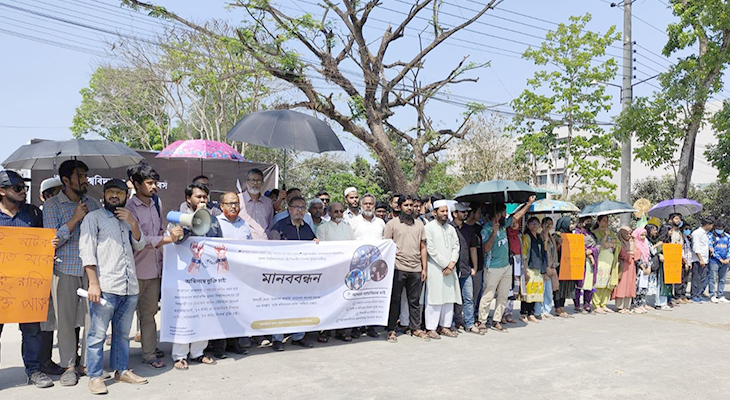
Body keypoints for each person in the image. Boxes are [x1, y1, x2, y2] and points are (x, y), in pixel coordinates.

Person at [80, 179, 148, 394]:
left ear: (126, 196)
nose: (114, 196)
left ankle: (121, 370)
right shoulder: (93, 218)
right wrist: (93, 283)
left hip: (129, 287)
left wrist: (134, 224)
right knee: (97, 335)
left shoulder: (128, 218)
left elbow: (140, 244)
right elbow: (87, 251)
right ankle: (95, 376)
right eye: (110, 192)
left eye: (118, 192)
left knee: (122, 334)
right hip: (106, 285)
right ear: (103, 194)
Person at [43, 160, 101, 386]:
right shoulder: (52, 205)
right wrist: (75, 218)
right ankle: (68, 366)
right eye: (80, 176)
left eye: (86, 175)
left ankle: (87, 364)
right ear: (65, 180)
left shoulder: (93, 204)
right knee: (65, 322)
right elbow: (50, 242)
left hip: (90, 271)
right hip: (63, 269)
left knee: (91, 320)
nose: (85, 180)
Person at [125, 162, 183, 369]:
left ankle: (149, 353)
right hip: (133, 271)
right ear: (136, 184)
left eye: (155, 182)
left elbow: (158, 231)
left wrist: (171, 234)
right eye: (149, 183)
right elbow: (138, 240)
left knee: (148, 315)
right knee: (123, 318)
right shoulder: (128, 208)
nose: (153, 187)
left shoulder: (155, 203)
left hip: (155, 269)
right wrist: (167, 240)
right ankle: (119, 359)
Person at [0, 170, 54, 388]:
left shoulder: (32, 213)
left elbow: (46, 239)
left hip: (28, 285)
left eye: (24, 187)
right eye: (18, 188)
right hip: (2, 284)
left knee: (32, 331)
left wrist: (50, 244)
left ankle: (34, 371)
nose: (23, 192)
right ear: (1, 191)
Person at [170, 183, 220, 369]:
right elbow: (176, 240)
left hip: (207, 273)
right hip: (184, 274)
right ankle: (180, 355)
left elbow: (220, 244)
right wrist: (192, 220)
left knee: (204, 313)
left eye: (205, 197)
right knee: (185, 313)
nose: (202, 200)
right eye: (198, 197)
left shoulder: (214, 220)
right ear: (188, 199)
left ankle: (198, 351)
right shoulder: (178, 217)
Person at [477, 195, 535, 333]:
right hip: (492, 267)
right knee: (488, 295)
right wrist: (493, 233)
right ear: (496, 214)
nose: (505, 215)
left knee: (503, 295)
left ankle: (497, 320)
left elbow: (517, 216)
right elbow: (485, 249)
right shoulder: (486, 229)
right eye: (503, 213)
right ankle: (482, 321)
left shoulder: (503, 225)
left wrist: (529, 203)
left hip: (506, 267)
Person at [268, 196, 317, 351]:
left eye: (302, 208)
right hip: (283, 275)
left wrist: (316, 244)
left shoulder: (307, 228)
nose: (300, 210)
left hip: (302, 276)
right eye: (296, 207)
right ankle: (277, 338)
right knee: (280, 307)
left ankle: (298, 336)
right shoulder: (279, 226)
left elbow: (312, 247)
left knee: (300, 305)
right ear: (289, 209)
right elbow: (273, 250)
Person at [384, 195, 429, 343]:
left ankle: (416, 328)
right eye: (406, 205)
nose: (409, 208)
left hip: (416, 268)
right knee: (395, 300)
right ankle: (391, 330)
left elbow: (423, 247)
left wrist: (424, 268)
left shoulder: (419, 225)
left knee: (414, 301)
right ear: (399, 207)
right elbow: (386, 247)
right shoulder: (391, 224)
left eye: (411, 205)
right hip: (398, 267)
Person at [35, 176, 66, 376]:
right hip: (38, 274)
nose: (55, 197)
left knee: (69, 316)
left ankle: (71, 357)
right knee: (45, 320)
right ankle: (44, 360)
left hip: (64, 270)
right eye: (51, 194)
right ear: (43, 196)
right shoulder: (35, 215)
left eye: (58, 192)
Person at [216, 192, 252, 355]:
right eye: (230, 203)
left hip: (240, 275)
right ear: (221, 206)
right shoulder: (215, 223)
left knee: (237, 309)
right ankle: (218, 346)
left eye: (236, 203)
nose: (233, 206)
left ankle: (234, 343)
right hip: (221, 273)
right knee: (221, 311)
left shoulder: (244, 224)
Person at [316, 202, 356, 342]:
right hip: (329, 271)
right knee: (328, 302)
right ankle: (325, 331)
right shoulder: (323, 228)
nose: (338, 214)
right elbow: (322, 250)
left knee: (344, 301)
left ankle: (343, 330)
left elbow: (353, 247)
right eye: (335, 211)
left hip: (345, 271)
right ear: (329, 213)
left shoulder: (348, 228)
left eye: (340, 211)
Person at [423, 201, 461, 339]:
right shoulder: (429, 228)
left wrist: (452, 263)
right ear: (434, 213)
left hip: (450, 268)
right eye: (442, 211)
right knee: (435, 298)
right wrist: (446, 264)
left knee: (449, 298)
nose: (445, 214)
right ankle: (431, 328)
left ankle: (445, 326)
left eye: (446, 211)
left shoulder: (450, 229)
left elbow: (456, 246)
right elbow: (430, 249)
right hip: (435, 268)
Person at [451, 203, 482, 335]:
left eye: (465, 212)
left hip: (466, 269)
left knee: (468, 298)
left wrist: (474, 267)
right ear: (454, 214)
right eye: (462, 212)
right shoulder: (448, 228)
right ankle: (452, 323)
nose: (465, 214)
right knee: (452, 299)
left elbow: (473, 249)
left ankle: (469, 323)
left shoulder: (470, 230)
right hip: (451, 270)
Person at [591, 215, 620, 314]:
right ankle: (596, 304)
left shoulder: (612, 233)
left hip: (610, 261)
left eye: (607, 221)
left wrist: (612, 245)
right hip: (600, 260)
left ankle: (604, 304)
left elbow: (618, 244)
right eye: (603, 221)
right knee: (599, 282)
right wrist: (605, 236)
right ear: (598, 222)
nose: (606, 223)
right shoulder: (594, 233)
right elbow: (600, 245)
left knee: (607, 283)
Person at [520, 216, 545, 323]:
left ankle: (531, 313)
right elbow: (524, 253)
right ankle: (523, 313)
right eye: (532, 224)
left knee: (535, 292)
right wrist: (525, 270)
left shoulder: (539, 238)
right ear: (528, 225)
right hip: (529, 267)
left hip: (537, 267)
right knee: (527, 292)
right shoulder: (526, 237)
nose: (535, 226)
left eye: (537, 224)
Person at [574, 216, 598, 314]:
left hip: (590, 262)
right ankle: (577, 304)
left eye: (590, 221)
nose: (589, 222)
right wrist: (586, 252)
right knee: (579, 283)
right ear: (582, 221)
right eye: (587, 221)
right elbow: (576, 245)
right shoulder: (576, 232)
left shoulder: (591, 234)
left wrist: (591, 251)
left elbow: (597, 246)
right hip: (580, 260)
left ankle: (587, 304)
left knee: (589, 282)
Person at [536, 217, 558, 319]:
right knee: (542, 290)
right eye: (547, 224)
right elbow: (543, 252)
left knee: (549, 291)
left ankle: (547, 310)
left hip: (551, 265)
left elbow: (553, 252)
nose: (549, 226)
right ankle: (539, 311)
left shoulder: (552, 237)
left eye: (551, 224)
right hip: (544, 266)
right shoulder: (540, 236)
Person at [553, 217, 575, 318]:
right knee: (558, 287)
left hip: (568, 265)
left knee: (565, 287)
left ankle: (562, 306)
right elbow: (553, 250)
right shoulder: (556, 235)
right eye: (569, 223)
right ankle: (557, 307)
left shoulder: (572, 236)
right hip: (558, 264)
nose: (572, 225)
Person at [612, 227, 637, 313]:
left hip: (631, 266)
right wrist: (630, 255)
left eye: (630, 233)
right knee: (622, 284)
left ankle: (627, 306)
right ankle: (620, 306)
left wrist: (634, 255)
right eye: (627, 233)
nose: (629, 236)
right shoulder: (619, 241)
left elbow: (638, 251)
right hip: (623, 265)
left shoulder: (633, 241)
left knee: (630, 283)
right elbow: (621, 252)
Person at [646, 224, 671, 310]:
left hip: (664, 264)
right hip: (654, 265)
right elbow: (651, 250)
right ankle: (659, 303)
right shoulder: (650, 240)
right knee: (658, 284)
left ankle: (664, 302)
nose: (655, 232)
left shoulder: (657, 240)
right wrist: (658, 247)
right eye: (653, 230)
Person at [690, 219, 713, 304]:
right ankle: (694, 295)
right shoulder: (696, 233)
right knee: (696, 278)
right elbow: (696, 247)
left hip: (705, 259)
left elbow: (704, 245)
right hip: (698, 260)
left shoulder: (705, 234)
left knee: (702, 278)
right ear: (707, 224)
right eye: (711, 225)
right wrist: (700, 259)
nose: (711, 227)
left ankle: (699, 294)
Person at [708, 220, 730, 303]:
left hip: (725, 261)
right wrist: (719, 258)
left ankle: (720, 295)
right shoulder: (711, 236)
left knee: (722, 279)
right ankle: (712, 295)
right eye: (718, 228)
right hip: (714, 261)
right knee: (712, 278)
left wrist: (728, 258)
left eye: (721, 228)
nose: (719, 229)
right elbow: (711, 249)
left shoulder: (727, 237)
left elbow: (729, 248)